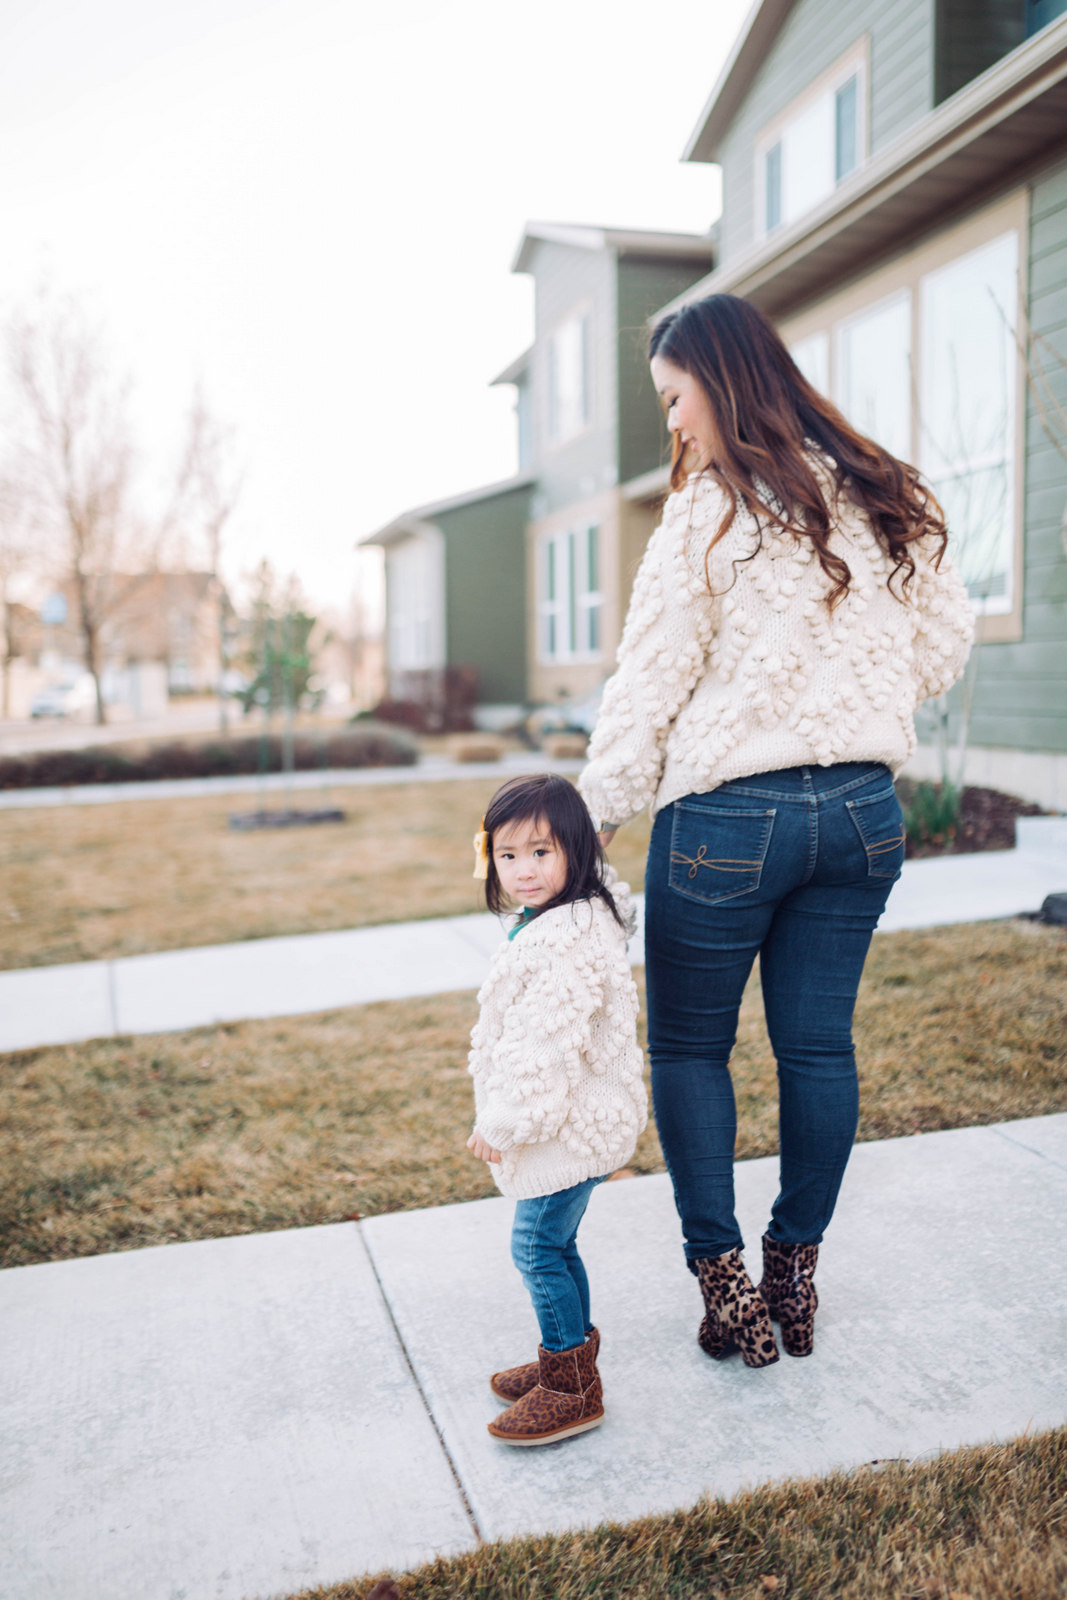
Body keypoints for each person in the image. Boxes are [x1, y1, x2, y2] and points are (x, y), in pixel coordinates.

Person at [578, 293, 974, 1369]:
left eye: (673, 397)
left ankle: (726, 1290)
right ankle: (791, 1276)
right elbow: (943, 639)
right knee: (816, 1049)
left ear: (719, 375)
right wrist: (860, 701)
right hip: (858, 816)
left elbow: (647, 685)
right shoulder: (878, 487)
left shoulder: (705, 510)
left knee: (692, 1051)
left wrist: (590, 815)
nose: (673, 425)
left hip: (726, 820)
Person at [466, 772, 647, 1445]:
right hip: (586, 1116)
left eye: (540, 852)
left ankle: (570, 1386)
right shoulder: (571, 916)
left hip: (565, 1124)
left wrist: (502, 1124)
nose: (523, 870)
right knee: (556, 1242)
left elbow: (542, 1044)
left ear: (575, 849)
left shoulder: (562, 942)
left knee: (536, 1246)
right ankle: (566, 1354)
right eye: (507, 856)